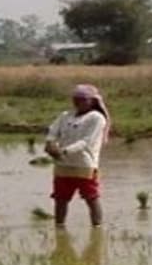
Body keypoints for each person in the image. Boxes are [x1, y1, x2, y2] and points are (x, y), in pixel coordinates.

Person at [44, 84, 109, 226]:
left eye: (82, 99)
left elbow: (86, 142)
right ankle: (59, 227)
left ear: (92, 101)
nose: (77, 102)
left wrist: (63, 151)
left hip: (84, 165)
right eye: (75, 99)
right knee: (60, 199)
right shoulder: (65, 116)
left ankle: (97, 227)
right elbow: (53, 131)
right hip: (62, 164)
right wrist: (50, 144)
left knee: (91, 197)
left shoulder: (96, 118)